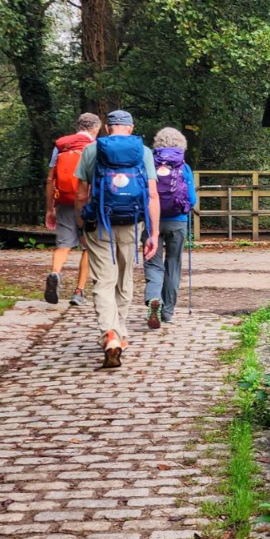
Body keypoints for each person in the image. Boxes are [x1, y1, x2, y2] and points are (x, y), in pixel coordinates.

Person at [74, 110, 160, 368]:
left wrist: (81, 225)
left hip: (100, 223)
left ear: (107, 128)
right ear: (131, 128)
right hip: (132, 223)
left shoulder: (92, 150)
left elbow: (80, 193)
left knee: (103, 280)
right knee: (125, 277)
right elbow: (153, 194)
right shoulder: (143, 152)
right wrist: (153, 233)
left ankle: (109, 333)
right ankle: (119, 332)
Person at [143, 127, 197, 328]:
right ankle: (167, 313)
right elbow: (191, 199)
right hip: (178, 222)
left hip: (152, 222)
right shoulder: (183, 167)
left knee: (153, 264)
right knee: (173, 265)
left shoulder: (148, 165)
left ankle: (154, 298)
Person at [43, 113, 99, 306]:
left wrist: (50, 208)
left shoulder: (61, 146)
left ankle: (55, 273)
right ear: (96, 128)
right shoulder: (96, 147)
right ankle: (79, 291)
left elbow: (51, 179)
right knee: (88, 246)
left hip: (65, 201)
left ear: (78, 126)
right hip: (89, 203)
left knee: (63, 244)